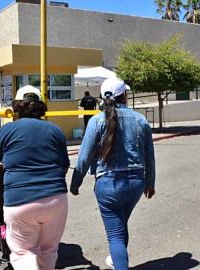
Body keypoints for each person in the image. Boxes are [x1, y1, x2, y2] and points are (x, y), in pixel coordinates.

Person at [70, 77, 156, 270]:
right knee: (120, 224)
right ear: (124, 95)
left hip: (108, 185)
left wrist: (75, 183)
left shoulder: (96, 121)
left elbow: (84, 157)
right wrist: (150, 182)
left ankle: (120, 263)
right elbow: (149, 155)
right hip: (136, 183)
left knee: (115, 234)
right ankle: (117, 259)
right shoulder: (140, 120)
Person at [0, 85, 70, 270]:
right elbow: (64, 166)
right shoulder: (55, 131)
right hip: (55, 200)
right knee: (48, 251)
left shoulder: (7, 130)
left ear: (17, 107)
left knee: (23, 253)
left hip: (20, 202)